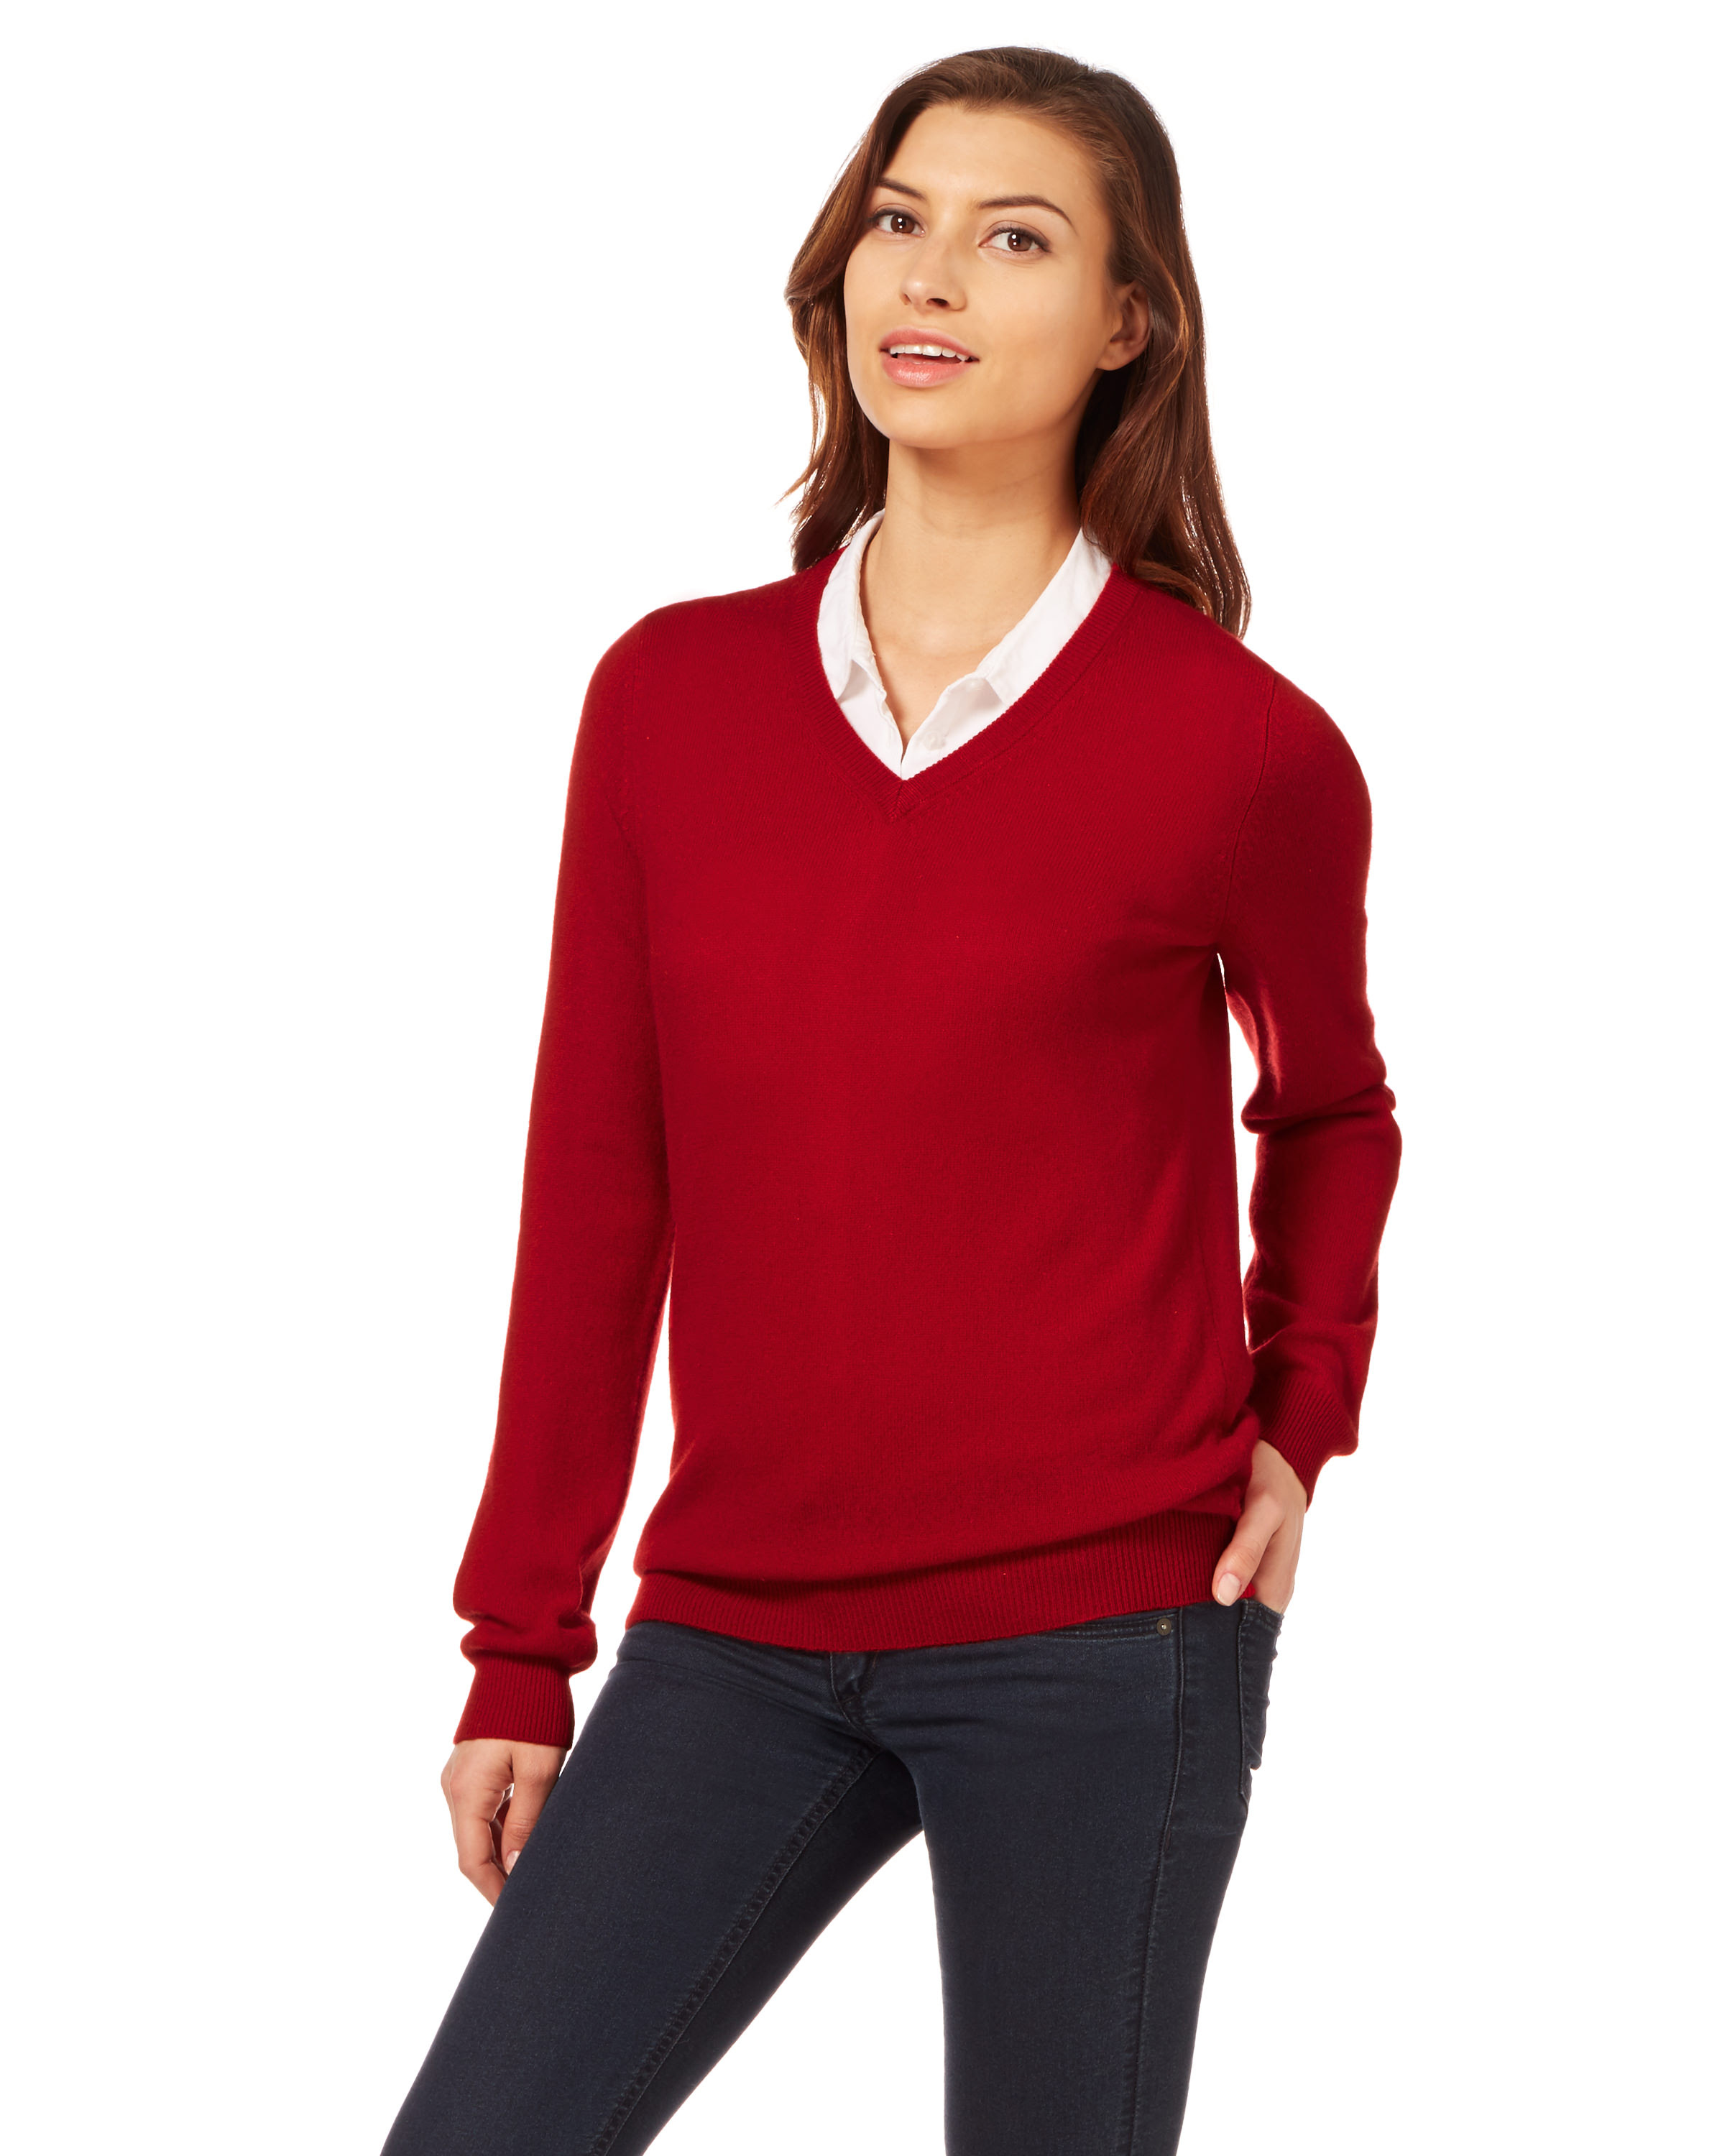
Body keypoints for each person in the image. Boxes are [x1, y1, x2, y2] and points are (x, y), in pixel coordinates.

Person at [380, 44, 1401, 2156]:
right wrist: (519, 1643)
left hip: (1103, 1633)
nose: (925, 276)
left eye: (1012, 237)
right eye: (896, 220)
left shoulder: (1240, 747)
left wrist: (1301, 1416)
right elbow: (599, 1184)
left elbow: (1328, 1114)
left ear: (1128, 322)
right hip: (732, 1631)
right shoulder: (669, 700)